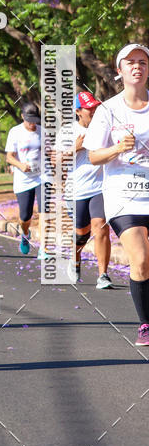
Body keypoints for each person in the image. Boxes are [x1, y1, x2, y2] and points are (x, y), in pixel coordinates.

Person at [84, 43, 149, 345]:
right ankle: (146, 324)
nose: (137, 67)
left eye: (143, 62)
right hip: (124, 196)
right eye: (131, 62)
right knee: (141, 260)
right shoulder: (108, 110)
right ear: (120, 70)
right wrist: (117, 148)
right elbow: (94, 156)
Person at [63, 92, 113, 289]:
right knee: (81, 233)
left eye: (95, 106)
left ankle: (103, 275)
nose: (93, 110)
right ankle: (75, 258)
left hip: (100, 187)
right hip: (76, 191)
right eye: (89, 108)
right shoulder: (67, 132)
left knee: (101, 226)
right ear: (77, 111)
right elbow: (54, 162)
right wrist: (75, 148)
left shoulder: (103, 128)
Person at [5, 102, 48, 258]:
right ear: (22, 116)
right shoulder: (15, 132)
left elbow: (48, 153)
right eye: (29, 120)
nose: (32, 124)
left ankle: (44, 249)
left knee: (44, 211)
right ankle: (24, 233)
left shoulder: (42, 132)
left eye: (35, 120)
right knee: (25, 216)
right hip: (23, 179)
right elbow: (9, 157)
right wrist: (20, 165)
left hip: (42, 176)